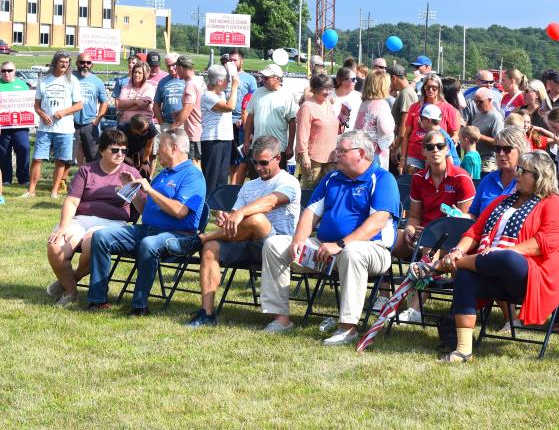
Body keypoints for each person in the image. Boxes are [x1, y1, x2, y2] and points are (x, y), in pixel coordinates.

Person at [260, 131, 401, 345]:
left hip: (372, 250)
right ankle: (280, 319)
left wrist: (341, 244)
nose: (335, 155)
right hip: (326, 249)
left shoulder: (382, 178)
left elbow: (377, 222)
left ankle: (348, 328)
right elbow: (310, 213)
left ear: (360, 153)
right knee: (274, 245)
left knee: (353, 252)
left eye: (341, 151)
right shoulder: (333, 178)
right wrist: (298, 240)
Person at [435, 150, 559, 362]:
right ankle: (463, 350)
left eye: (523, 171)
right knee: (465, 277)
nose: (516, 174)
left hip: (530, 276)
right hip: (492, 270)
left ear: (540, 176)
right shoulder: (502, 201)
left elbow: (541, 243)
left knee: (506, 258)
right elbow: (475, 232)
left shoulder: (553, 203)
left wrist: (503, 251)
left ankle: (446, 266)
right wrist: (457, 251)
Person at [165, 136, 301, 327]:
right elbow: (234, 217)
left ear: (278, 158)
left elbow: (269, 203)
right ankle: (207, 313)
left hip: (277, 247)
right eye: (255, 163)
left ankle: (201, 239)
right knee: (212, 247)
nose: (259, 168)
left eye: (264, 163)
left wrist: (241, 214)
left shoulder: (288, 182)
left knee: (256, 219)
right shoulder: (249, 185)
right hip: (245, 243)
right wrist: (226, 219)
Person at [87, 128, 206, 314]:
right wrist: (131, 191)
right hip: (149, 229)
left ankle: (139, 306)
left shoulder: (193, 175)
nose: (157, 149)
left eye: (161, 145)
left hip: (179, 237)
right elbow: (146, 211)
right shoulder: (164, 174)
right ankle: (98, 300)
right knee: (101, 236)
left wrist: (149, 190)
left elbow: (181, 212)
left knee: (149, 244)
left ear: (174, 147)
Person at [45, 129, 141, 307]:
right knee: (55, 246)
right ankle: (72, 293)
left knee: (93, 241)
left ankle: (72, 279)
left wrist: (133, 190)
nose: (120, 154)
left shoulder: (132, 173)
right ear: (102, 150)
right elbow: (72, 202)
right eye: (115, 150)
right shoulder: (86, 170)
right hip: (81, 220)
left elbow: (142, 209)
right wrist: (64, 227)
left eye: (124, 150)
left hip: (113, 223)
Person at [393, 129, 476, 323]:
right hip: (424, 232)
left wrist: (443, 224)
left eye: (440, 146)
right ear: (423, 152)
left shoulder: (461, 178)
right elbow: (414, 216)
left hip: (453, 237)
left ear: (447, 149)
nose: (435, 151)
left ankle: (415, 309)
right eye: (430, 147)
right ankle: (382, 296)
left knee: (431, 249)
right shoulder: (419, 179)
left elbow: (468, 221)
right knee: (387, 239)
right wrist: (410, 231)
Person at [24, 51, 84, 198]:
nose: (64, 64)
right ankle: (31, 191)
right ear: (55, 62)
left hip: (65, 129)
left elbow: (79, 105)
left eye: (67, 62)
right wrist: (42, 114)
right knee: (37, 158)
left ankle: (54, 192)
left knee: (61, 160)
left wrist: (63, 112)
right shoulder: (43, 80)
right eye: (61, 61)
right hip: (45, 128)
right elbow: (37, 105)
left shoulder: (72, 81)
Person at [400, 73, 460, 173]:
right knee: (415, 184)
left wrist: (451, 142)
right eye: (428, 87)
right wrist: (402, 159)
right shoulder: (415, 107)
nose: (430, 91)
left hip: (436, 154)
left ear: (439, 89)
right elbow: (407, 134)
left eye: (434, 88)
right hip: (415, 155)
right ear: (423, 88)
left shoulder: (448, 108)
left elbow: (455, 135)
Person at [244, 64, 297, 169]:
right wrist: (246, 141)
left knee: (276, 181)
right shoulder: (257, 93)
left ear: (277, 79)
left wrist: (290, 146)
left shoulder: (287, 95)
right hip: (257, 146)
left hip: (278, 148)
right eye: (262, 77)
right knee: (257, 180)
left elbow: (292, 121)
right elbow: (250, 117)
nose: (263, 80)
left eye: (266, 78)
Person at [199, 64, 239, 204]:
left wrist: (232, 72)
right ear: (219, 82)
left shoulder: (220, 94)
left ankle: (219, 206)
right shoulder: (208, 96)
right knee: (211, 176)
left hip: (225, 139)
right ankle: (206, 206)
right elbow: (230, 107)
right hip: (212, 140)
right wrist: (234, 87)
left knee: (222, 176)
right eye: (226, 80)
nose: (228, 83)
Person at [469, 126, 530, 217]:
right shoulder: (488, 179)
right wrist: (460, 215)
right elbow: (473, 214)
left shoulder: (527, 181)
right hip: (483, 230)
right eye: (497, 149)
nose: (501, 154)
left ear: (521, 150)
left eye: (507, 149)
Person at [295, 74, 338, 192]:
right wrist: (304, 155)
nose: (328, 92)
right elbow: (302, 133)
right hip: (313, 158)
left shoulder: (328, 103)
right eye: (325, 88)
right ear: (315, 89)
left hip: (330, 156)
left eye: (330, 88)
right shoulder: (307, 107)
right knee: (310, 190)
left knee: (328, 190)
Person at [224, 49, 259, 179]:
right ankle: (231, 185)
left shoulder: (249, 79)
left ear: (241, 61)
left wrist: (242, 118)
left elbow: (253, 100)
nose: (232, 62)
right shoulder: (224, 76)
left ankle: (236, 186)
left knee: (241, 158)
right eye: (230, 60)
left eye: (235, 60)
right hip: (225, 121)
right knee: (230, 158)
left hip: (240, 123)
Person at [353, 69, 395, 169]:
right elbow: (385, 129)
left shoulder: (364, 103)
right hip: (376, 153)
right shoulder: (381, 104)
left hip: (361, 150)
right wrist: (392, 135)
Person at [73, 52, 109, 164]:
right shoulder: (70, 79)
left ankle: (92, 180)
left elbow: (104, 102)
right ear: (77, 63)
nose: (85, 65)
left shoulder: (97, 81)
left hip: (90, 123)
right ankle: (69, 178)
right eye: (82, 62)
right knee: (69, 156)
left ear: (91, 64)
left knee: (93, 156)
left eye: (88, 63)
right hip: (71, 122)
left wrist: (97, 119)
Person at [0, 61, 31, 185]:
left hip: (20, 125)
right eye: (3, 71)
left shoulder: (22, 85)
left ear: (15, 71)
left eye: (9, 70)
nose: (6, 73)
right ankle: (6, 178)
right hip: (3, 126)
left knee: (24, 148)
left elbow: (28, 104)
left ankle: (23, 178)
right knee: (3, 152)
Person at [171, 56, 203, 163]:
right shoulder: (199, 80)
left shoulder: (190, 85)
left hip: (194, 132)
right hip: (202, 129)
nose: (175, 72)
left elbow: (188, 109)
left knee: (194, 164)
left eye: (176, 68)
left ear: (180, 67)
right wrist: (180, 112)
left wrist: (173, 126)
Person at [387, 64, 418, 172]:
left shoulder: (406, 94)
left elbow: (405, 126)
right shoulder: (406, 92)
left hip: (401, 148)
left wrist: (395, 149)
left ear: (393, 78)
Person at [468, 87, 505, 173]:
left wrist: (480, 136)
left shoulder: (495, 117)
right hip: (476, 159)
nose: (477, 104)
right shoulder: (478, 114)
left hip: (488, 162)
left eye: (480, 102)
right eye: (475, 101)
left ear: (489, 100)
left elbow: (499, 142)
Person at [153, 52, 184, 132]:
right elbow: (156, 105)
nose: (171, 68)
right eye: (168, 66)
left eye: (173, 65)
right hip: (167, 123)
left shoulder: (186, 80)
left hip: (184, 124)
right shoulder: (162, 82)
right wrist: (162, 123)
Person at [332, 67, 362, 131]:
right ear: (343, 81)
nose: (356, 81)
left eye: (356, 79)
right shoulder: (328, 94)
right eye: (353, 79)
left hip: (350, 138)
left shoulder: (359, 97)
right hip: (330, 137)